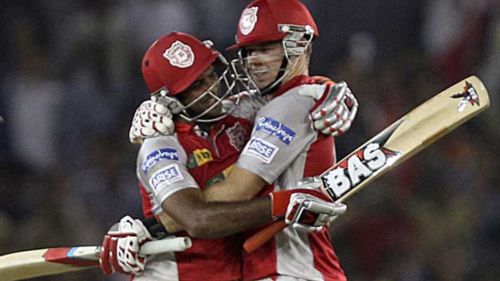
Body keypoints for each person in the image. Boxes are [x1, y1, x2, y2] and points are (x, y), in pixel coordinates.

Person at [125, 1, 358, 280]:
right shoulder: (162, 143)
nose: (254, 61)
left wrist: (153, 225)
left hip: (288, 270)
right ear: (170, 100)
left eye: (266, 48)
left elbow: (228, 196)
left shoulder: (268, 110)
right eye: (249, 51)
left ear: (299, 43)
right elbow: (198, 216)